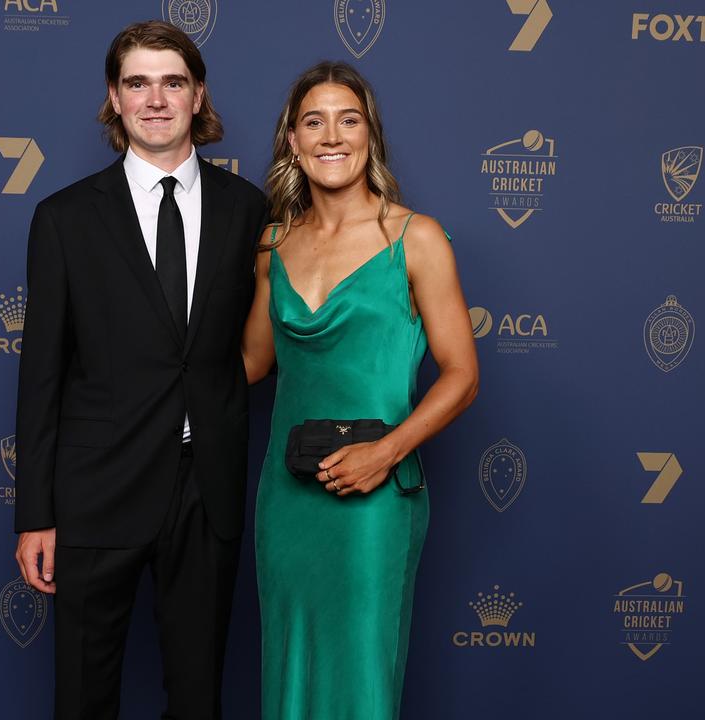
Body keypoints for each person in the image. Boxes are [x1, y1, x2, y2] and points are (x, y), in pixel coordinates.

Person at [13, 20, 267, 720]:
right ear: (115, 99)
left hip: (205, 487)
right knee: (84, 698)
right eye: (138, 83)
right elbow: (40, 377)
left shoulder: (249, 210)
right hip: (97, 489)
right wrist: (35, 515)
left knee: (197, 697)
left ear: (198, 95)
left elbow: (268, 336)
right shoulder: (63, 219)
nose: (156, 98)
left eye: (172, 82)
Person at [241, 61, 479, 719]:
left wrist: (389, 451)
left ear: (369, 134)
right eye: (313, 121)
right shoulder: (272, 245)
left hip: (378, 499)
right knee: (290, 664)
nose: (331, 136)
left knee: (364, 671)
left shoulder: (416, 238)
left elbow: (462, 376)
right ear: (293, 140)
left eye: (348, 120)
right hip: (288, 499)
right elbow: (250, 364)